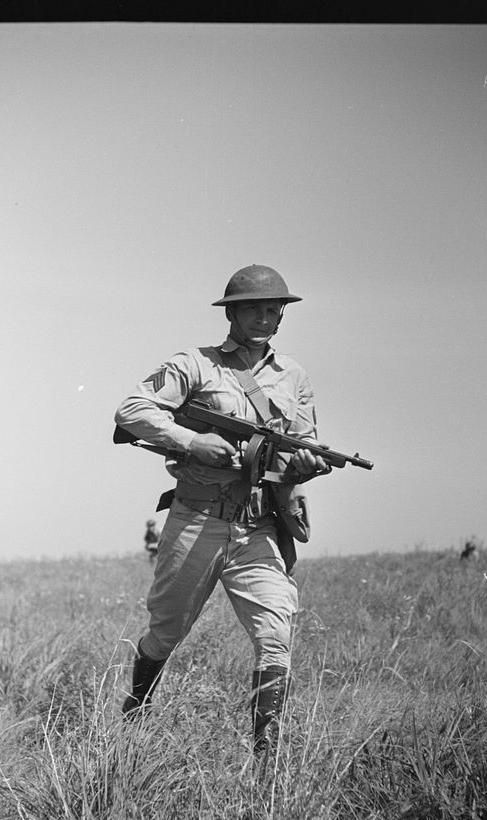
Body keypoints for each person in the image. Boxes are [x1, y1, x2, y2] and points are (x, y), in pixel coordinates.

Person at [114, 264, 329, 767]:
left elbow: (299, 446)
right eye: (255, 306)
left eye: (275, 308)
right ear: (231, 312)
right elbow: (132, 410)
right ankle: (133, 718)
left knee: (276, 636)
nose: (267, 315)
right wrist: (192, 441)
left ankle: (265, 766)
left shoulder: (293, 376)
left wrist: (303, 467)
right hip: (198, 520)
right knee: (165, 632)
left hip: (259, 527)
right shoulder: (195, 364)